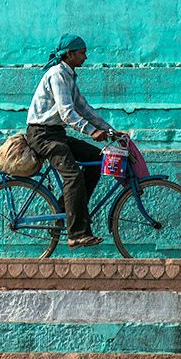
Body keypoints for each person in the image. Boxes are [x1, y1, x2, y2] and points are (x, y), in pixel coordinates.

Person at [26, 33, 114, 249]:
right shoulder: (56, 75)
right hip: (42, 134)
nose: (85, 57)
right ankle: (76, 233)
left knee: (96, 158)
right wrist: (91, 132)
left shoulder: (69, 76)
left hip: (56, 133)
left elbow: (83, 108)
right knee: (73, 176)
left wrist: (110, 130)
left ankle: (67, 209)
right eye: (82, 53)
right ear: (70, 54)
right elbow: (67, 113)